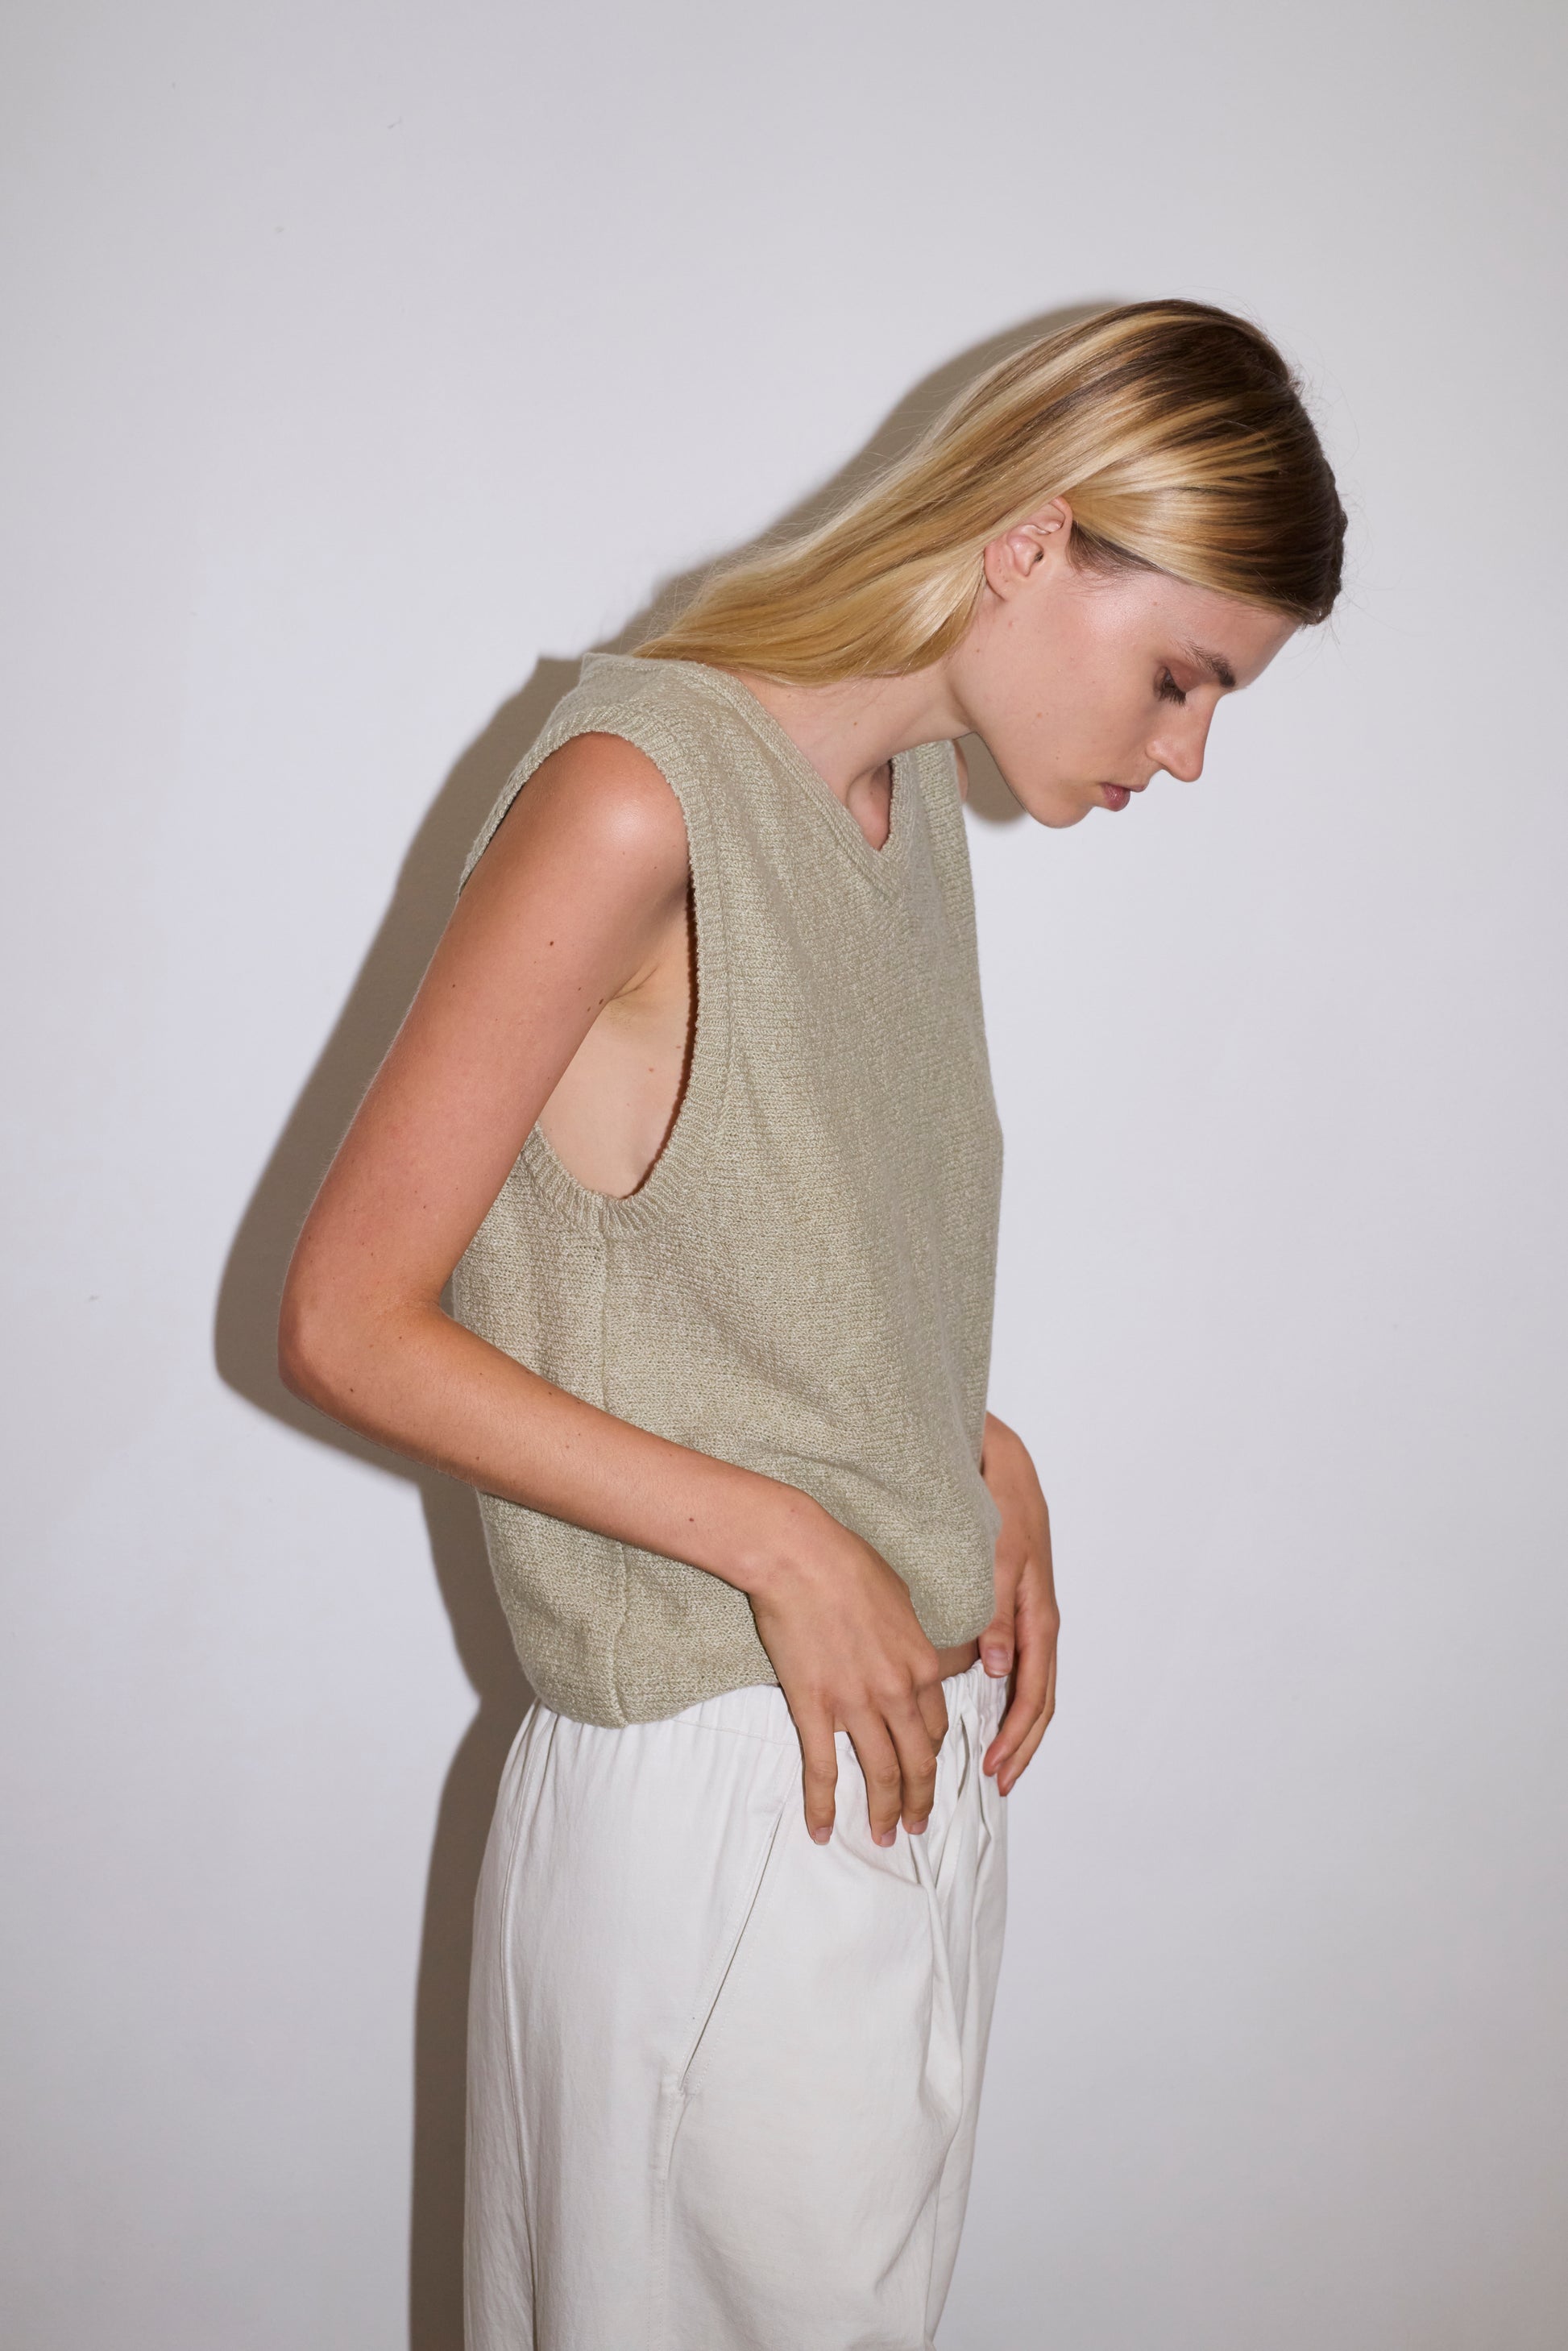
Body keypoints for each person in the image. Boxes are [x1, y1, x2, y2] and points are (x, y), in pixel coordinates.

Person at [278, 298, 1345, 2350]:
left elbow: (746, 1266)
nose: (1187, 750)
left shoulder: (900, 807)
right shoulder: (636, 791)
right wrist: (790, 1537)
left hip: (867, 1798)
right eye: (1182, 676)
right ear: (1031, 544)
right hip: (712, 1805)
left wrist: (961, 1448)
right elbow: (346, 1312)